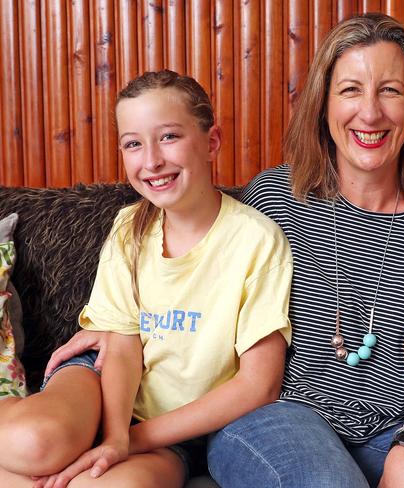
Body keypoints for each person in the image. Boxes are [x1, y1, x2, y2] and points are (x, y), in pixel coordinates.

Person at [45, 13, 404, 488]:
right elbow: (201, 255)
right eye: (350, 90)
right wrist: (116, 328)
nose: (370, 113)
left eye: (390, 90)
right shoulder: (275, 198)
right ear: (323, 106)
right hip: (279, 417)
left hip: (398, 425)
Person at [0, 70, 292, 487]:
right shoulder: (129, 226)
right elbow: (122, 342)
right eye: (134, 143)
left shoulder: (256, 241)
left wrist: (126, 442)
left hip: (173, 434)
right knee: (36, 443)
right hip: (100, 383)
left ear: (211, 142)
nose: (151, 160)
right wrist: (114, 432)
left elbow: (258, 385)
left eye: (169, 137)